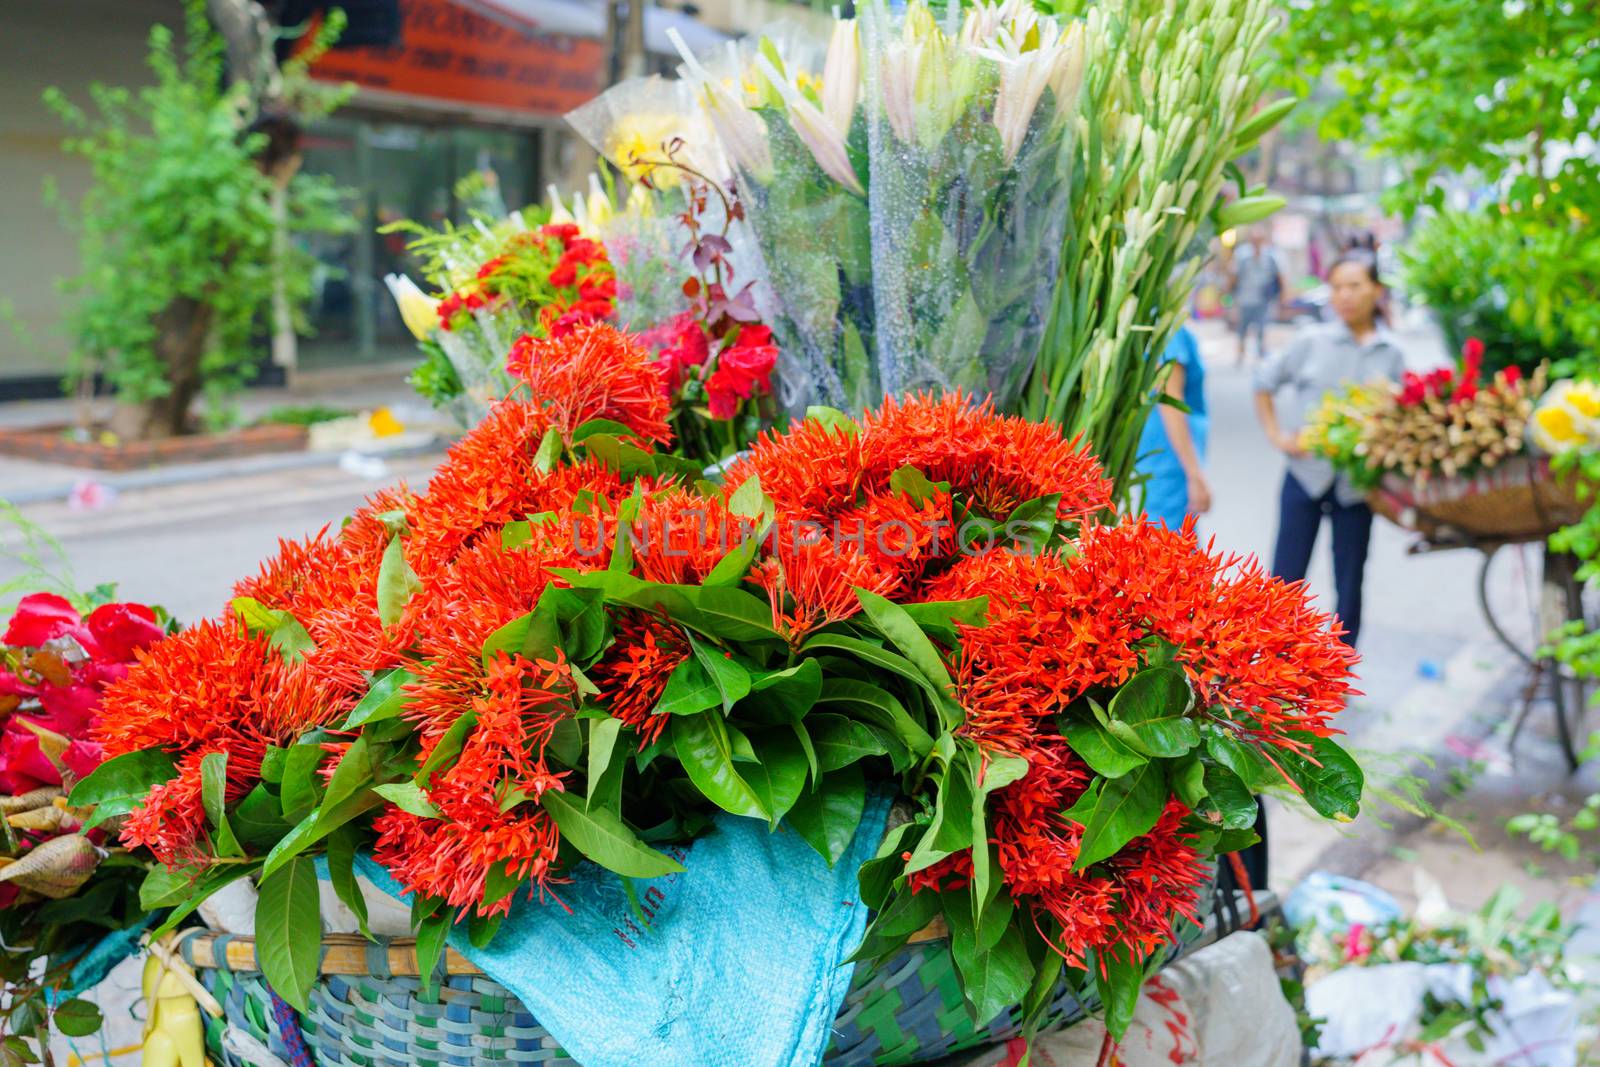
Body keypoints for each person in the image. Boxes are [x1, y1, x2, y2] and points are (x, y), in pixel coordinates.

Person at [1253, 242, 1405, 649]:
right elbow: (1262, 382)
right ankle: (1273, 668)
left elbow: (1400, 419)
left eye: (1354, 285)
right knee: (1284, 580)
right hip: (1304, 477)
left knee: (1350, 580)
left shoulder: (1391, 354)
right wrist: (1277, 436)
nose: (1345, 296)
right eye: (1337, 287)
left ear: (1375, 289)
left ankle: (1339, 669)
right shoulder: (1311, 340)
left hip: (1356, 487)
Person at [1135, 325, 1210, 527]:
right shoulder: (1170, 328)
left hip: (1166, 452)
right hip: (1170, 454)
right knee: (1168, 542)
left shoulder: (1165, 320)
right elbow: (1169, 400)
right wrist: (1194, 473)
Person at [1229, 227, 1287, 364]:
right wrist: (1230, 295)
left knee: (1262, 326)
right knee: (1242, 327)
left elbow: (1280, 276)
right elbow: (1233, 276)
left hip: (1263, 299)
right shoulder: (1242, 255)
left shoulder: (1271, 255)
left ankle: (1260, 353)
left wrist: (1283, 295)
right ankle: (1240, 353)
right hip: (1244, 298)